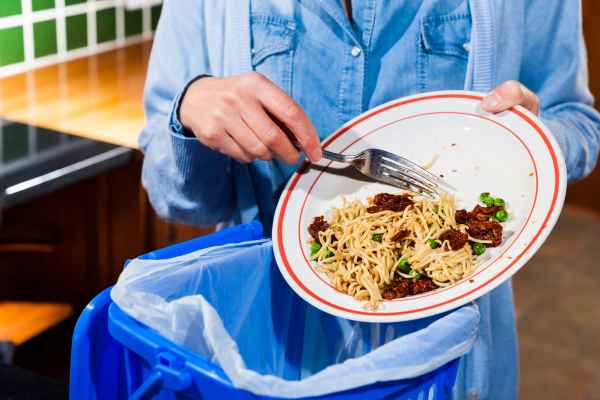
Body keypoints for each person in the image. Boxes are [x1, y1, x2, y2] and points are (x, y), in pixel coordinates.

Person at [139, 1, 600, 398]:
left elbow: (577, 122)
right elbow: (178, 200)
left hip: (448, 370)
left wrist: (529, 140)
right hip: (275, 357)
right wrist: (190, 109)